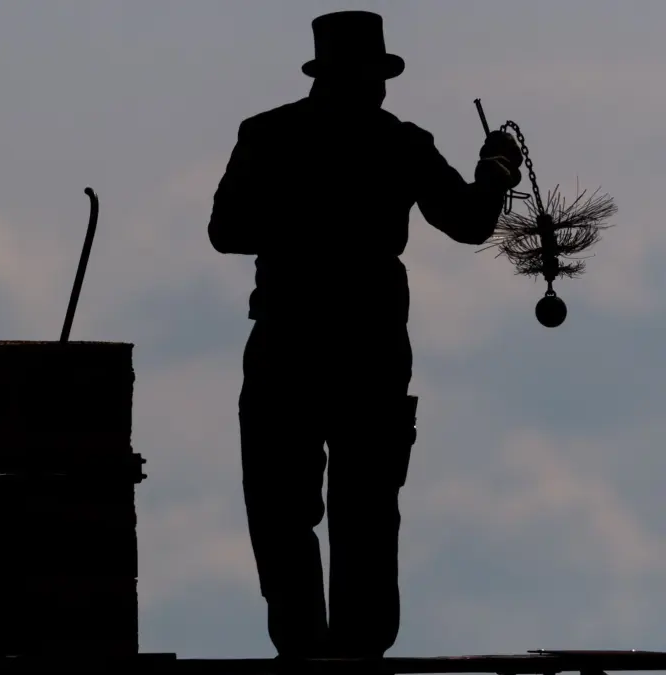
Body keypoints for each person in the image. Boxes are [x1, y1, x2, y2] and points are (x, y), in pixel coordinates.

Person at [207, 10, 523, 660]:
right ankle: (355, 656)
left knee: (283, 508)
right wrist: (494, 171)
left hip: (286, 350)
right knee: (366, 510)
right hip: (369, 356)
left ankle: (305, 650)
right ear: (371, 77)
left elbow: (226, 230)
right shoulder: (399, 144)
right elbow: (468, 221)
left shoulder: (268, 136)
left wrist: (297, 222)